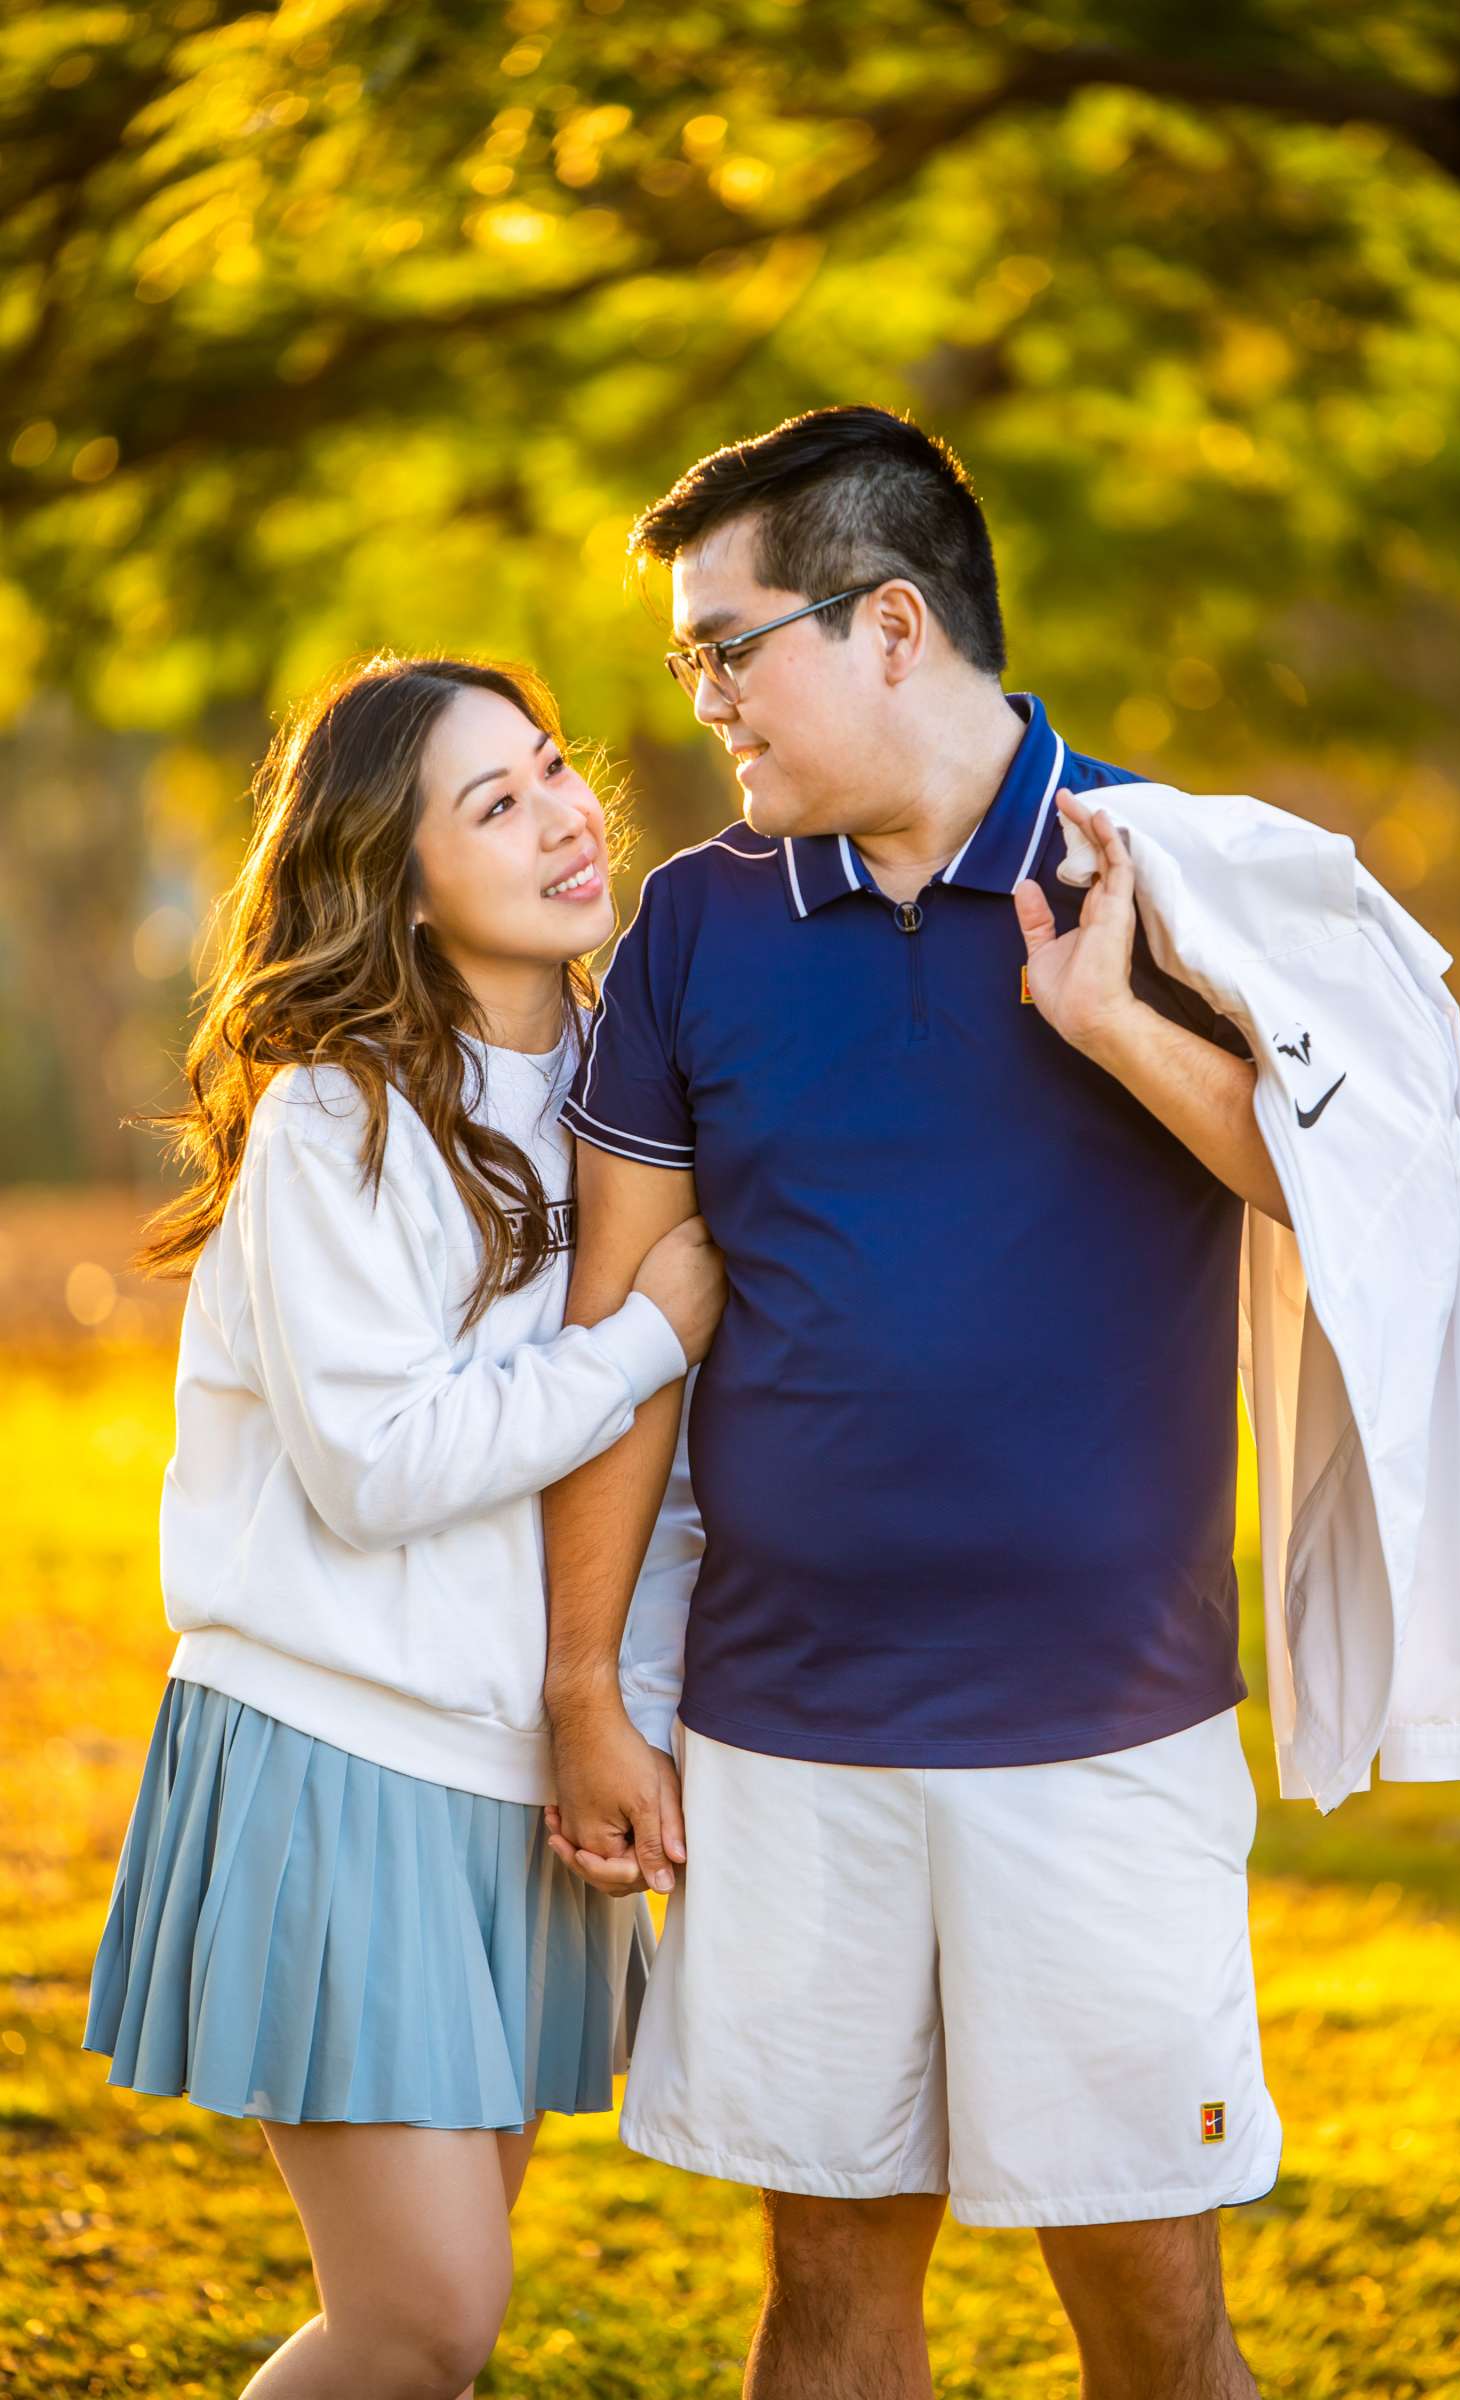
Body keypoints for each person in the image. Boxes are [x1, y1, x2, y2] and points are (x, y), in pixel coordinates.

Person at [541, 407, 1289, 2400]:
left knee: (1148, 2313)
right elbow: (615, 1338)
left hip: (1100, 1735)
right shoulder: (691, 922)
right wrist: (583, 1686)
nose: (698, 698)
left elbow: (1349, 1183)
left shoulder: (1163, 864)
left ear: (885, 626)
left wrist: (1113, 1019)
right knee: (827, 2301)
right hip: (786, 1737)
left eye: (727, 647)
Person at [82, 653, 724, 2400]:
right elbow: (378, 1466)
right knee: (421, 2315)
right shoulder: (338, 1114)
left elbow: (651, 1488)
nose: (561, 816)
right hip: (337, 1748)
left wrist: (630, 1723)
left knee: (439, 2334)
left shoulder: (624, 1086)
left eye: (551, 770)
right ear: (397, 873)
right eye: (490, 804)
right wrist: (649, 1332)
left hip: (513, 1774)